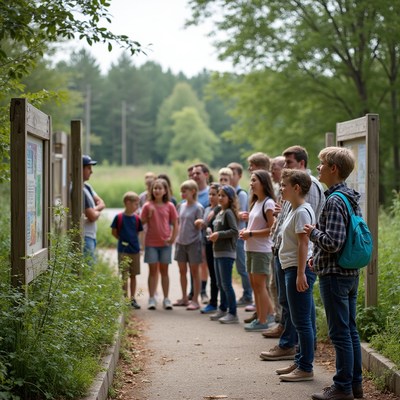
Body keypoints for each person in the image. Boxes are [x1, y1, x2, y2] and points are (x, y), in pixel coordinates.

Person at [304, 147, 363, 400]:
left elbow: (334, 242)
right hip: (349, 273)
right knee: (350, 330)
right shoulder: (349, 198)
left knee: (340, 332)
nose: (318, 168)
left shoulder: (335, 200)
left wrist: (313, 233)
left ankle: (342, 387)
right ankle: (355, 383)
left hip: (335, 276)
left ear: (333, 168)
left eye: (321, 164)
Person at [261, 145, 324, 351]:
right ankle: (299, 351)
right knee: (292, 304)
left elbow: (306, 229)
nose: (283, 165)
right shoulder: (293, 191)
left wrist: (300, 270)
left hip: (299, 259)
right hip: (287, 254)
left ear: (301, 164)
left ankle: (296, 348)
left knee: (300, 310)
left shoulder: (309, 187)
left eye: (288, 162)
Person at [275, 169, 316, 382]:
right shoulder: (294, 208)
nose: (281, 188)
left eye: (284, 185)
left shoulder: (301, 211)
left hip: (297, 270)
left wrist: (301, 273)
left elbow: (303, 243)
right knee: (303, 318)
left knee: (301, 322)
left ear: (296, 188)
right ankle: (301, 361)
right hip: (292, 268)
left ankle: (305, 367)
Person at [239, 170, 275, 332]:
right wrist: (246, 232)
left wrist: (251, 233)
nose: (251, 183)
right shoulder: (255, 203)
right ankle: (262, 316)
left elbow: (271, 228)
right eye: (251, 180)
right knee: (255, 285)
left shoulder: (268, 203)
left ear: (263, 182)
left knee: (260, 286)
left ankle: (264, 319)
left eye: (254, 180)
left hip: (262, 250)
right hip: (250, 248)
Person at [140, 178, 179, 310]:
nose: (157, 190)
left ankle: (166, 298)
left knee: (164, 271)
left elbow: (175, 223)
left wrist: (173, 238)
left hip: (165, 243)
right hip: (151, 243)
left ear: (165, 190)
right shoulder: (147, 205)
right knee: (152, 271)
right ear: (152, 190)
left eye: (160, 188)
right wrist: (147, 216)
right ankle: (151, 298)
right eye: (155, 188)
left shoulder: (170, 206)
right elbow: (141, 223)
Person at [208, 185, 239, 324]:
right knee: (220, 283)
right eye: (218, 195)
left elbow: (234, 231)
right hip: (217, 252)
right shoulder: (219, 212)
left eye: (223, 196)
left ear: (230, 198)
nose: (220, 198)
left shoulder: (229, 213)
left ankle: (233, 313)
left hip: (227, 253)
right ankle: (223, 308)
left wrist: (219, 234)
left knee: (226, 284)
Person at [174, 179, 204, 310]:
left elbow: (200, 225)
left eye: (184, 191)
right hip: (181, 242)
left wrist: (200, 223)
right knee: (182, 271)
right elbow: (178, 223)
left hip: (193, 243)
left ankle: (195, 300)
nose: (182, 193)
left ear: (193, 191)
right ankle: (184, 298)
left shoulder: (198, 207)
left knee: (194, 272)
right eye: (181, 191)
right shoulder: (180, 206)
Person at [111, 192, 143, 309]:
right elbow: (114, 232)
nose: (137, 207)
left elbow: (139, 232)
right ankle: (124, 298)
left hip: (135, 250)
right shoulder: (119, 217)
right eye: (136, 204)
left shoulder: (137, 219)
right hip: (123, 251)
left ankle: (132, 298)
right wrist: (122, 240)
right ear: (127, 203)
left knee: (133, 275)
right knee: (124, 275)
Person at [228, 162, 253, 307]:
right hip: (232, 235)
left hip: (239, 235)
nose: (231, 176)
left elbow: (242, 215)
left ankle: (248, 295)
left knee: (242, 267)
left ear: (239, 176)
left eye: (233, 173)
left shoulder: (241, 194)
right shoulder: (227, 192)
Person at [194, 182, 221, 314]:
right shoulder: (207, 209)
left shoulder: (221, 210)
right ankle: (213, 302)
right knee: (212, 274)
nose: (211, 197)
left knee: (217, 276)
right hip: (207, 244)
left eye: (214, 194)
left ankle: (216, 303)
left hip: (218, 247)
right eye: (210, 194)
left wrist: (203, 223)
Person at [192, 163, 213, 303]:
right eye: (193, 173)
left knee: (204, 263)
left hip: (206, 235)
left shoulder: (210, 192)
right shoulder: (190, 192)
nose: (195, 176)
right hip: (191, 236)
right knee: (193, 265)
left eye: (198, 173)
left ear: (206, 175)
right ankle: (192, 292)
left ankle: (204, 292)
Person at [82, 154, 105, 262]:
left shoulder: (87, 186)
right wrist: (97, 213)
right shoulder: (78, 190)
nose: (91, 171)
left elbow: (102, 203)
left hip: (91, 236)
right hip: (85, 237)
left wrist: (93, 210)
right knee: (89, 270)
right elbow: (92, 217)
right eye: (88, 168)